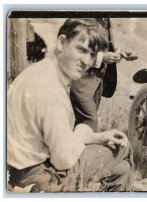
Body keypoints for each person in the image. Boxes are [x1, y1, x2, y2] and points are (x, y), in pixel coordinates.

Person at [7, 18, 132, 192]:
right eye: (81, 50)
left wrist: (99, 137)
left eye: (92, 55)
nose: (86, 61)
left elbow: (52, 141)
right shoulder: (50, 88)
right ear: (62, 42)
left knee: (122, 170)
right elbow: (63, 160)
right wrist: (82, 134)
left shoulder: (40, 71)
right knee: (123, 150)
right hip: (39, 179)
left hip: (25, 168)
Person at [70, 18, 138, 132]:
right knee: (89, 122)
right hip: (81, 82)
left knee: (83, 127)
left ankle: (72, 148)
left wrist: (121, 52)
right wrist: (101, 58)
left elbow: (107, 45)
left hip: (97, 82)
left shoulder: (106, 18)